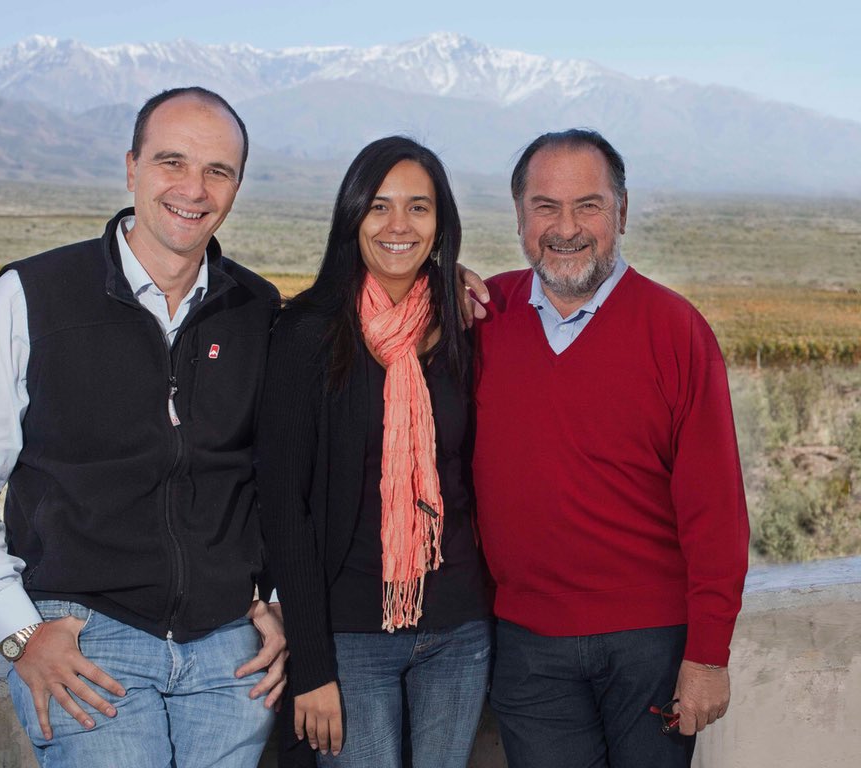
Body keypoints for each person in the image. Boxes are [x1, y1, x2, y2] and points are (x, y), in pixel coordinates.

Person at [0, 87, 289, 768]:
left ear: (237, 186)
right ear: (131, 168)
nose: (193, 189)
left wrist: (276, 598)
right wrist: (19, 631)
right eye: (171, 162)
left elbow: (280, 476)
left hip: (229, 652)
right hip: (85, 640)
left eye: (218, 171)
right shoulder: (33, 296)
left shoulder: (256, 309)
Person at [472, 129, 750, 768]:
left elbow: (716, 511)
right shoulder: (484, 315)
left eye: (588, 206)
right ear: (519, 215)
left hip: (650, 647)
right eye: (545, 206)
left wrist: (708, 656)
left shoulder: (675, 330)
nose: (566, 228)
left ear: (621, 212)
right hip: (527, 646)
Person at [257, 136, 492, 768]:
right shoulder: (307, 332)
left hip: (459, 628)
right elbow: (284, 506)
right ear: (352, 216)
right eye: (379, 206)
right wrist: (312, 665)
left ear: (441, 224)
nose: (398, 225)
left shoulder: (463, 328)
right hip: (349, 634)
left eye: (418, 207)